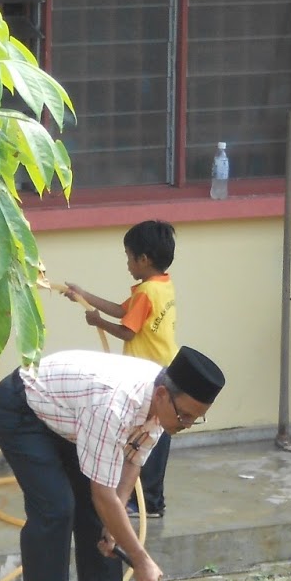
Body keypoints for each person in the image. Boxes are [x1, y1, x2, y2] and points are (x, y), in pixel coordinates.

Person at [0, 347, 224, 581]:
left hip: (69, 419)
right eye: (185, 415)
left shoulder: (161, 405)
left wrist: (115, 519)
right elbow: (102, 493)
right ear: (162, 395)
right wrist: (140, 558)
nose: (187, 424)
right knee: (56, 510)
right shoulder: (115, 405)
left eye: (195, 418)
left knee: (104, 516)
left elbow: (132, 461)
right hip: (21, 410)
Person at [66, 220, 179, 518]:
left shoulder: (146, 293)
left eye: (129, 256)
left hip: (148, 374)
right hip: (163, 369)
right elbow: (122, 309)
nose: (127, 263)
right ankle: (144, 498)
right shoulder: (160, 286)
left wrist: (97, 322)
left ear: (144, 259)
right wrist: (84, 295)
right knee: (151, 436)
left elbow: (127, 331)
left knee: (148, 440)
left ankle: (149, 501)